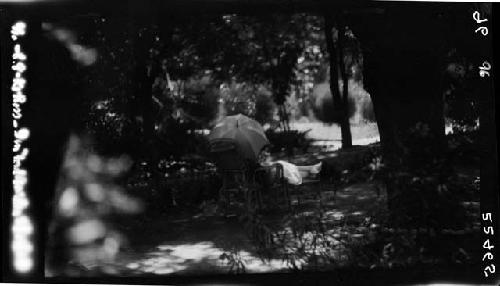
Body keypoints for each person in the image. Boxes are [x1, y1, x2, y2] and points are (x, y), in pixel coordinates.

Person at [256, 147, 322, 186]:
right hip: (272, 177)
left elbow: (267, 166)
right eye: (266, 152)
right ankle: (311, 170)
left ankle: (312, 169)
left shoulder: (260, 161)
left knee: (284, 165)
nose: (268, 154)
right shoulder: (259, 163)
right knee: (282, 164)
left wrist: (269, 163)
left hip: (275, 174)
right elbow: (265, 169)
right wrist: (269, 163)